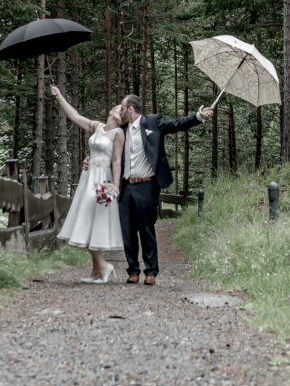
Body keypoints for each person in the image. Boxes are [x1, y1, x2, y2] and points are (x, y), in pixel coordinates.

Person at [117, 94, 214, 286]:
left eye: (122, 108)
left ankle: (151, 271)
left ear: (130, 109)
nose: (119, 111)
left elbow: (176, 124)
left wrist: (198, 116)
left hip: (146, 185)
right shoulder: (121, 130)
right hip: (126, 186)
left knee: (146, 229)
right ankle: (133, 270)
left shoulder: (152, 122)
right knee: (127, 230)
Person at [50, 85, 124, 284]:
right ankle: (96, 272)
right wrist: (59, 97)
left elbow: (116, 160)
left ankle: (104, 266)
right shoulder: (97, 126)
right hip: (88, 176)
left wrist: (115, 185)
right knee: (88, 220)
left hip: (102, 178)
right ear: (111, 111)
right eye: (120, 109)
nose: (122, 113)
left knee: (91, 220)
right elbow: (74, 116)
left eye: (124, 112)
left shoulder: (118, 133)